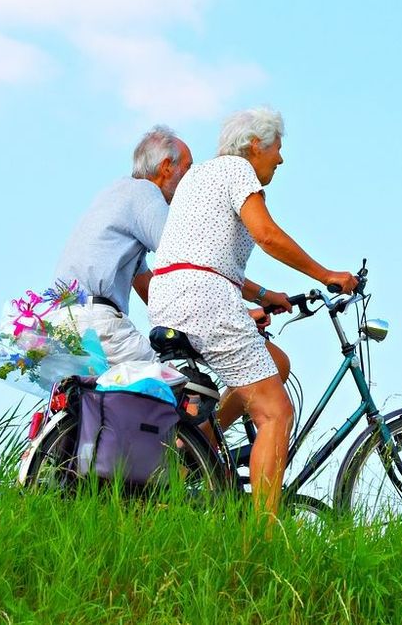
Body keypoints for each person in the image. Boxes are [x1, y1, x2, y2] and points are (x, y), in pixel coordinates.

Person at [148, 107, 358, 513]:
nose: (280, 159)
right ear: (256, 145)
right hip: (204, 299)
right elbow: (266, 234)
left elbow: (201, 254)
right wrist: (325, 274)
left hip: (171, 296)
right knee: (276, 412)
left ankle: (200, 450)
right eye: (278, 148)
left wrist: (263, 295)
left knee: (275, 362)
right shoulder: (237, 170)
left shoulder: (200, 176)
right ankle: (262, 539)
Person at [50, 125, 193, 364]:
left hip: (61, 323)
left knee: (100, 398)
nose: (191, 178)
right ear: (167, 166)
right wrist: (239, 310)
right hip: (96, 323)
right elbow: (187, 256)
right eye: (188, 168)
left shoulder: (115, 193)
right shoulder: (145, 193)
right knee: (173, 387)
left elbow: (147, 286)